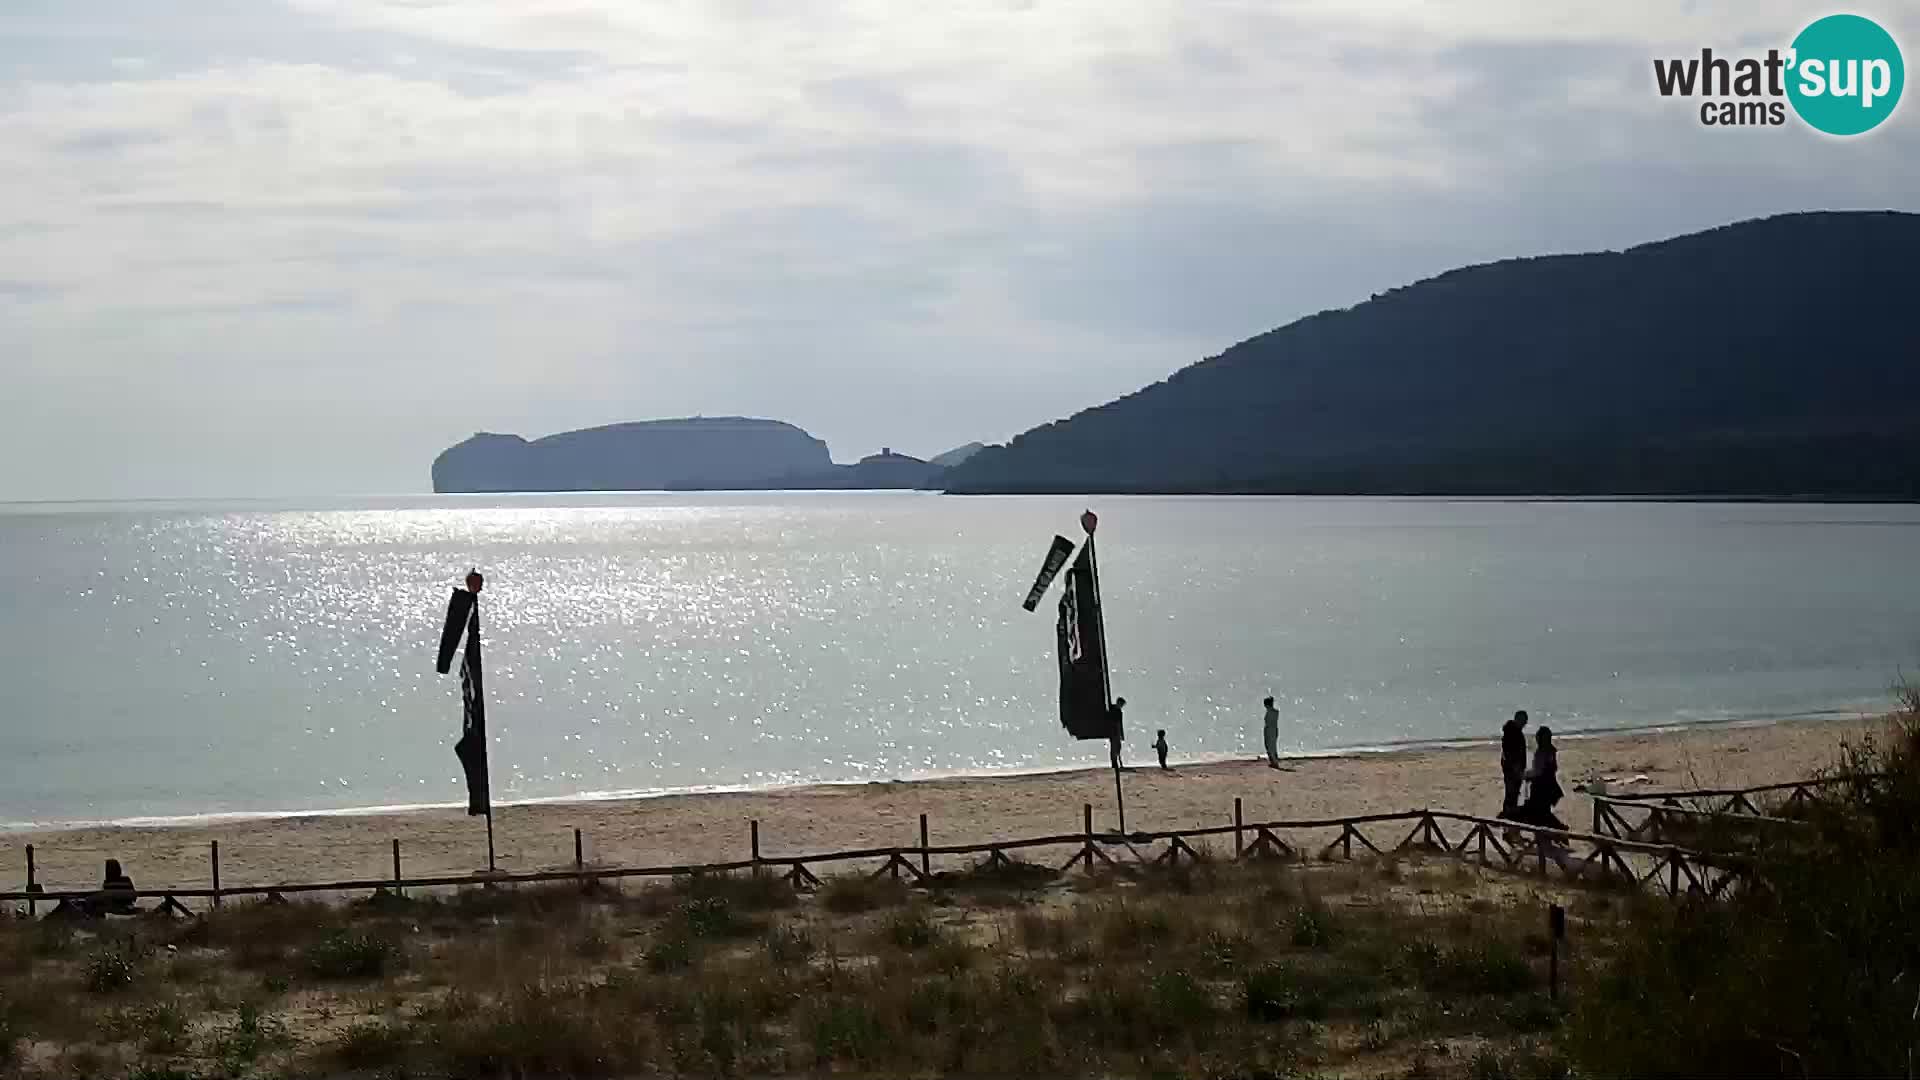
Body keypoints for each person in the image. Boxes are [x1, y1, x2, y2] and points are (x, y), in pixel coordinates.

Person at [1517, 726, 1568, 831]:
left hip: (1541, 788)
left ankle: (1559, 829)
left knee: (1540, 813)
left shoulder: (1541, 752)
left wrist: (1525, 775)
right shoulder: (1551, 751)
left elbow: (1538, 771)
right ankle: (1557, 829)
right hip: (1551, 787)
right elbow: (1553, 768)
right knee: (1544, 812)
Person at [1500, 710, 1529, 815]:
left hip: (1515, 767)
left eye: (1526, 721)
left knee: (1514, 792)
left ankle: (1510, 812)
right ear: (1518, 719)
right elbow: (1508, 752)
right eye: (1524, 720)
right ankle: (1508, 813)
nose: (1525, 723)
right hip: (1512, 768)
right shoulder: (1512, 732)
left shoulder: (1515, 731)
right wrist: (1515, 767)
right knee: (1511, 792)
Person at [1108, 697, 1127, 771]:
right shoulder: (1116, 711)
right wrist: (1120, 734)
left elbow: (1119, 724)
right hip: (1114, 731)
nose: (1122, 706)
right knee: (1115, 747)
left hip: (1113, 731)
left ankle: (1114, 762)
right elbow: (1118, 724)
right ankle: (1114, 763)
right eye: (1122, 704)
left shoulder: (1113, 709)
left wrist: (1121, 735)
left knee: (1116, 747)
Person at [1262, 696, 1281, 769]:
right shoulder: (1275, 712)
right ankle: (1274, 761)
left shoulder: (1270, 712)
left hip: (1269, 730)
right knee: (1272, 746)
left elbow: (1268, 723)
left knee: (1270, 747)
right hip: (1274, 729)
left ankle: (1274, 762)